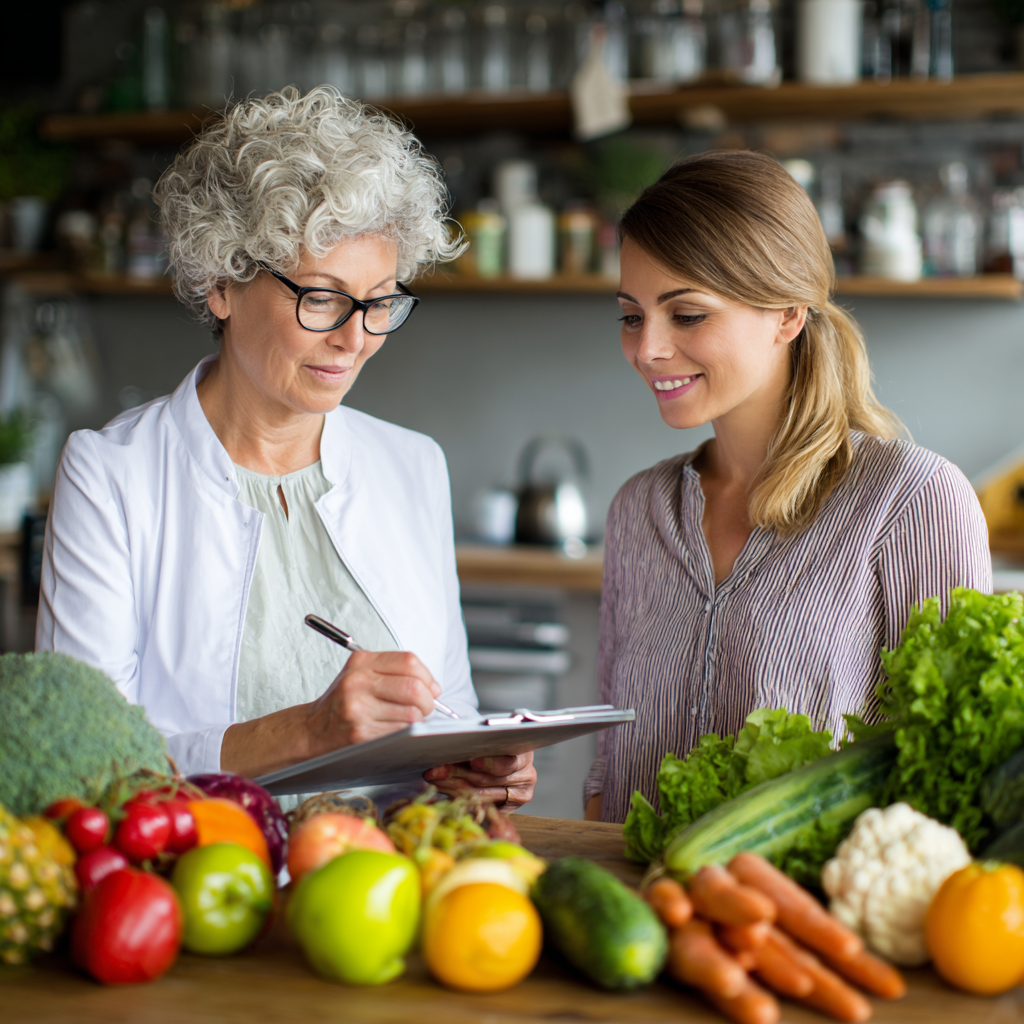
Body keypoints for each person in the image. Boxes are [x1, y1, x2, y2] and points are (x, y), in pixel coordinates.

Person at [36, 87, 535, 809]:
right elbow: (83, 768)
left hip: (394, 891)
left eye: (381, 302)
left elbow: (446, 710)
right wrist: (312, 729)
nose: (356, 338)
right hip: (207, 888)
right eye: (323, 298)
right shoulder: (111, 475)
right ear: (220, 284)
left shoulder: (413, 466)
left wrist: (476, 765)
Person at [585, 150, 990, 824]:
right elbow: (608, 765)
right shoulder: (638, 510)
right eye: (632, 316)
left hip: (812, 922)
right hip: (640, 918)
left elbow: (954, 774)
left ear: (787, 315)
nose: (647, 348)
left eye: (686, 315)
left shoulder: (912, 500)